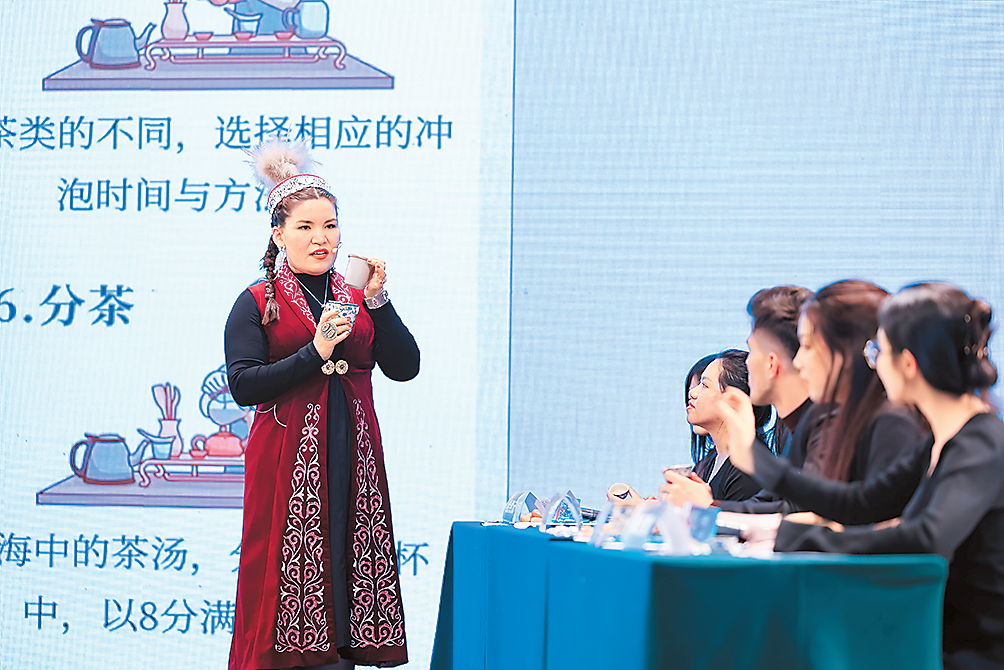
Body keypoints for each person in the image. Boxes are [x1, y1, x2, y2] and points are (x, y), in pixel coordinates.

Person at [718, 283, 1004, 668]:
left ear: (907, 364)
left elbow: (927, 537)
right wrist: (760, 465)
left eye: (879, 352)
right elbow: (861, 503)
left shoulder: (981, 442)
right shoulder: (940, 441)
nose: (874, 364)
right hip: (928, 641)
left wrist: (803, 537)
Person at [225, 140, 419, 670]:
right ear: (278, 234)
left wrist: (379, 301)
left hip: (353, 452)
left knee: (349, 560)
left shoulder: (357, 297)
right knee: (282, 567)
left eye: (330, 226)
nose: (321, 238)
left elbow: (405, 366)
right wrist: (315, 352)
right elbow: (243, 385)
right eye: (306, 227)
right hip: (287, 457)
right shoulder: (257, 301)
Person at [684, 349, 769, 502]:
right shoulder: (713, 461)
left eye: (704, 385)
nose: (692, 393)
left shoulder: (746, 468)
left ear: (733, 400)